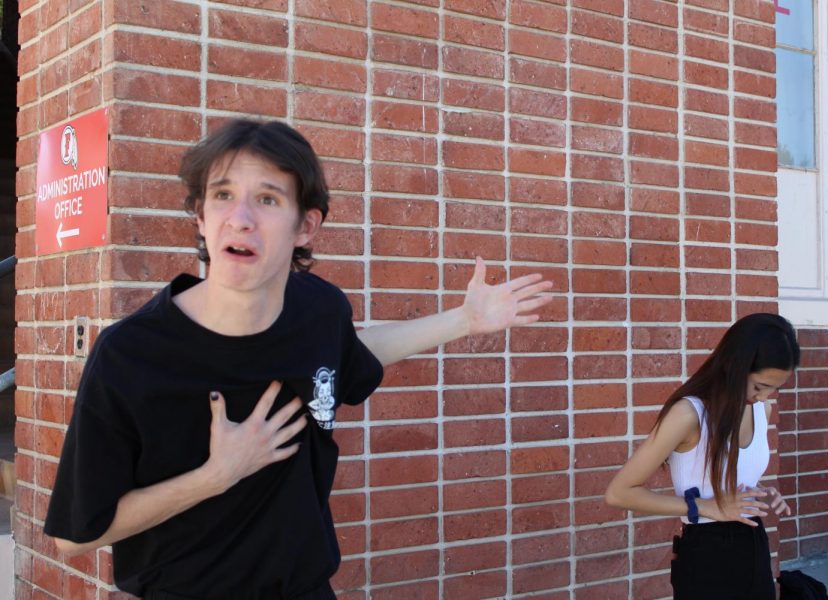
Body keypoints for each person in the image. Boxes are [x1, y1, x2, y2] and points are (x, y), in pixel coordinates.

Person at [43, 119, 553, 600]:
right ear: (200, 216)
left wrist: (464, 321)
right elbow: (76, 536)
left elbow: (347, 356)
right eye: (222, 196)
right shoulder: (131, 355)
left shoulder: (319, 310)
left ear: (305, 226)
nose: (240, 218)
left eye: (266, 199)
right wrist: (217, 475)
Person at [605, 313, 801, 600]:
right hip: (707, 554)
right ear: (735, 366)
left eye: (775, 388)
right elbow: (619, 494)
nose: (764, 397)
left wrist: (760, 493)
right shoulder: (689, 415)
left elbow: (728, 476)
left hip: (754, 545)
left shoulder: (761, 411)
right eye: (760, 386)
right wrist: (708, 508)